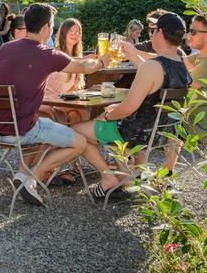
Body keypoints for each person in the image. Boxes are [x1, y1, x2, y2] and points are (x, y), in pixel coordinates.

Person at [0, 3, 110, 206]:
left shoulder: (4, 48)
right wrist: (101, 61)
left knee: (44, 120)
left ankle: (22, 175)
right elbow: (84, 68)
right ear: (46, 28)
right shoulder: (46, 54)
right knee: (79, 142)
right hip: (24, 128)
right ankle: (32, 179)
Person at [72, 12, 191, 200]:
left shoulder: (152, 67)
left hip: (132, 133)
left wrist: (108, 116)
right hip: (157, 133)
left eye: (153, 30)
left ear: (160, 33)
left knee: (75, 132)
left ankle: (109, 178)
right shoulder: (181, 65)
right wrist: (133, 55)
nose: (151, 34)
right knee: (104, 119)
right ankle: (125, 176)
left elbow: (128, 108)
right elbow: (154, 77)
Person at [42, 18, 89, 123]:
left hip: (64, 100)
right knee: (83, 111)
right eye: (71, 32)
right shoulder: (57, 54)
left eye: (78, 32)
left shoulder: (77, 55)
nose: (75, 35)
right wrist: (86, 60)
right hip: (51, 100)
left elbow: (73, 87)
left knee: (78, 114)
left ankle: (80, 137)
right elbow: (59, 87)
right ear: (64, 33)